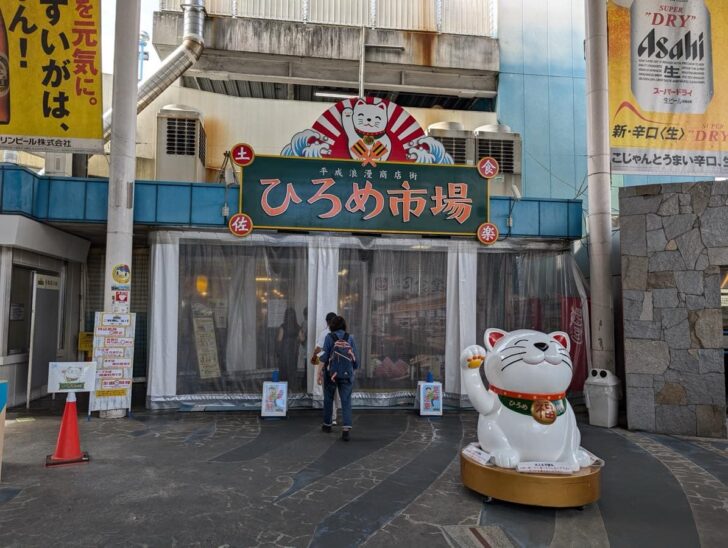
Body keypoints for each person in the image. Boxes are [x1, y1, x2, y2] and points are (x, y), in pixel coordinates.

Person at [319, 315, 358, 441]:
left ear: (332, 325)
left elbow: (324, 358)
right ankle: (346, 428)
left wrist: (319, 373)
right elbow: (356, 359)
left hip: (331, 374)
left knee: (329, 398)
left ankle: (327, 425)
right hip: (347, 374)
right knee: (346, 400)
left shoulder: (329, 337)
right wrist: (353, 369)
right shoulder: (350, 338)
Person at [311, 312, 340, 423]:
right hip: (339, 367)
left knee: (328, 392)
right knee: (336, 392)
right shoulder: (341, 333)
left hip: (327, 367)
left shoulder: (324, 334)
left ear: (327, 322)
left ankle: (331, 417)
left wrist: (314, 362)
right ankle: (335, 414)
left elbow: (318, 351)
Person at [276, 307, 300, 384]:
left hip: (284, 352)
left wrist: (278, 352)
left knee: (283, 370)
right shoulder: (297, 326)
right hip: (293, 352)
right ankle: (292, 388)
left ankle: (284, 389)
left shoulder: (283, 326)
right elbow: (302, 339)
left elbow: (279, 339)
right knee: (292, 370)